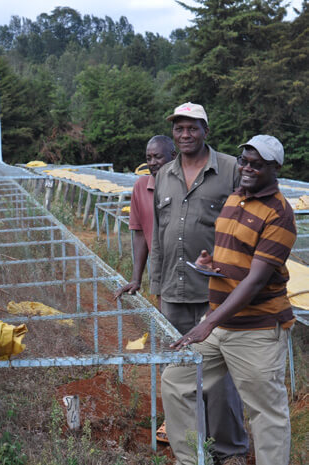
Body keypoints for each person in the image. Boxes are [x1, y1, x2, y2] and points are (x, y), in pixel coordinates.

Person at [162, 135, 296, 465]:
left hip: (257, 329)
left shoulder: (279, 214)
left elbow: (254, 281)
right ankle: (192, 459)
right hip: (222, 322)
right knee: (176, 381)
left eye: (257, 164)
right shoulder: (236, 197)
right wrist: (213, 264)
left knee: (266, 412)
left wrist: (207, 323)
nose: (247, 168)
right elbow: (239, 259)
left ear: (275, 168)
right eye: (244, 161)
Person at [149, 102, 248, 463]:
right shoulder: (163, 174)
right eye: (179, 128)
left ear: (206, 129)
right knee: (178, 374)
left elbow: (249, 224)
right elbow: (159, 236)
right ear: (173, 133)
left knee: (220, 374)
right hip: (174, 292)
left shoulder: (229, 169)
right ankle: (192, 452)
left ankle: (230, 449)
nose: (186, 135)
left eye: (193, 128)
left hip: (217, 292)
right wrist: (157, 284)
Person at [114, 135, 176, 299]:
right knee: (167, 321)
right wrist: (136, 278)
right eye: (148, 158)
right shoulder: (141, 187)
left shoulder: (185, 187)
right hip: (161, 274)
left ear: (174, 156)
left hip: (187, 272)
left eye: (158, 156)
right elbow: (140, 233)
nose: (152, 162)